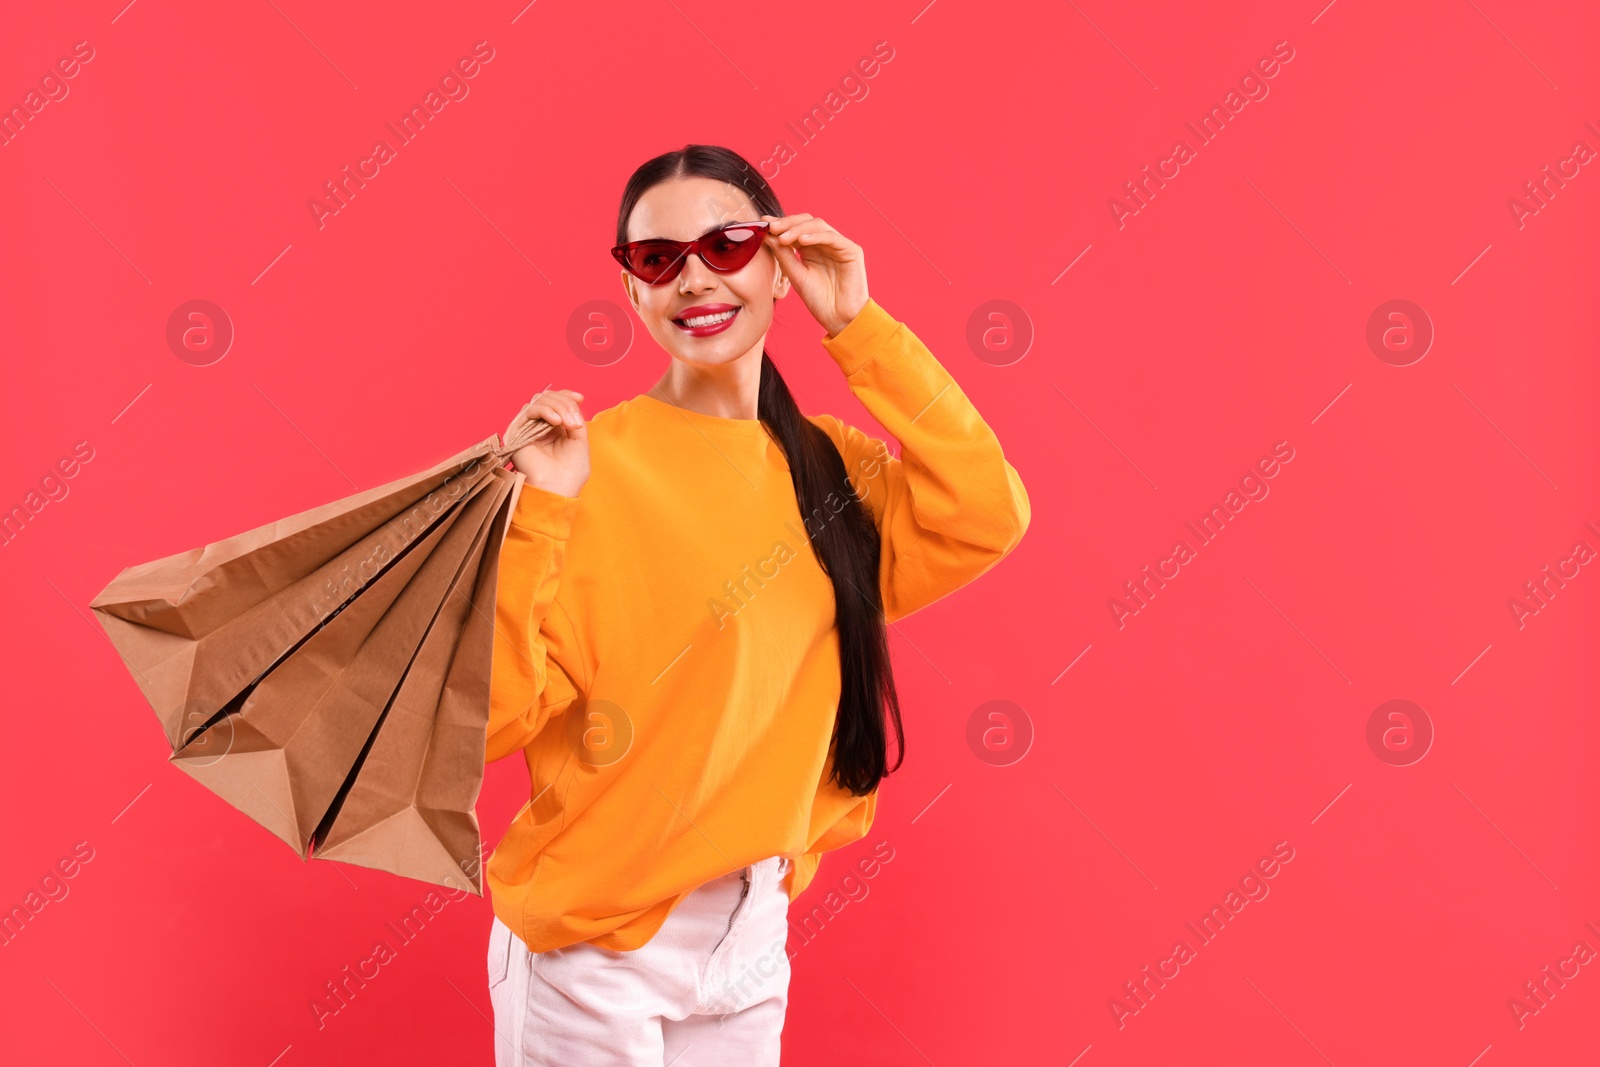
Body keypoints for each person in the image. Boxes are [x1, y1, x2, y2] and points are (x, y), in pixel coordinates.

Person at [484, 143, 1030, 1065]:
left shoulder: (833, 468)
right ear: (631, 289)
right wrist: (538, 511)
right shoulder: (581, 470)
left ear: (781, 262)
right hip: (593, 944)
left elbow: (987, 513)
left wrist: (861, 327)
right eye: (658, 259)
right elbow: (494, 716)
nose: (695, 277)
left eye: (727, 244)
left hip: (748, 933)